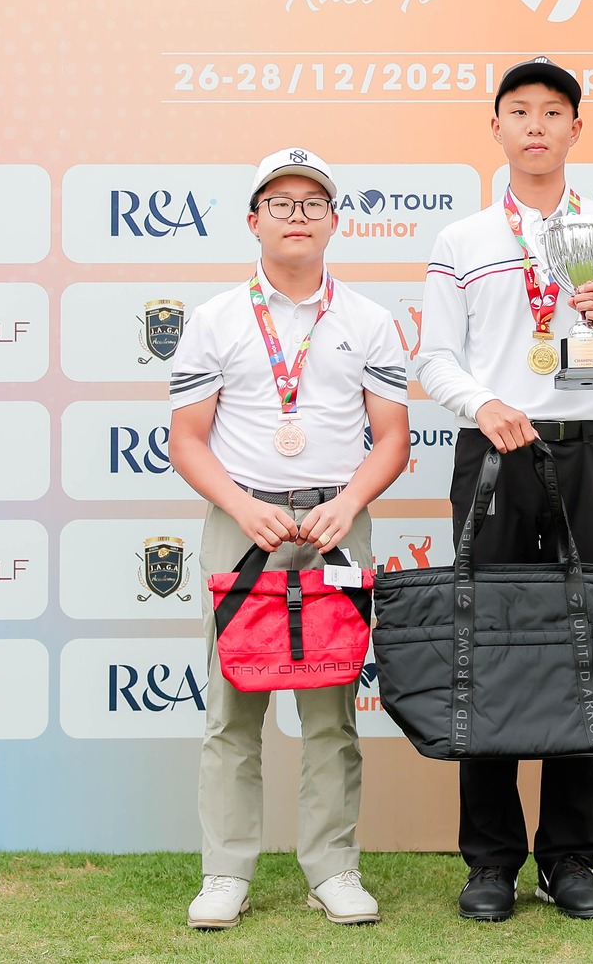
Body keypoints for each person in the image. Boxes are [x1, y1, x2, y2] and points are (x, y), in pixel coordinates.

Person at [415, 57, 593, 922]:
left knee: (579, 643)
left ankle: (568, 857)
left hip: (586, 449)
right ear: (496, 127)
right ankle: (490, 860)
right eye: (518, 111)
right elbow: (433, 357)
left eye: (553, 112)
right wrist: (482, 403)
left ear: (575, 129)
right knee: (482, 645)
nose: (535, 125)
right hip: (493, 450)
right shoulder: (462, 239)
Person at [167, 147, 412, 929]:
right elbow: (186, 440)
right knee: (232, 710)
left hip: (336, 528)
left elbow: (392, 437)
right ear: (254, 220)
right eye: (281, 202)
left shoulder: (369, 319)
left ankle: (332, 869)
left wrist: (351, 500)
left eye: (313, 203)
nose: (297, 215)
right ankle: (225, 872)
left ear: (335, 221)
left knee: (332, 711)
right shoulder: (215, 318)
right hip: (242, 526)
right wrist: (242, 506)